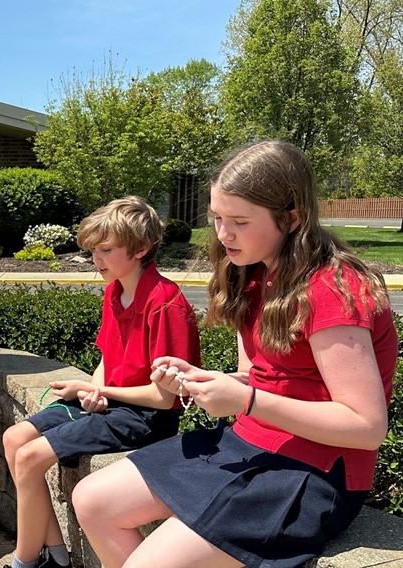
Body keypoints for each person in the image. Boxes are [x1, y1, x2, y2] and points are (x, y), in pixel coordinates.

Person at [72, 140, 399, 568]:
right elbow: (255, 377)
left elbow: (367, 426)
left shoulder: (332, 289)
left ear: (292, 218)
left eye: (240, 222)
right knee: (92, 499)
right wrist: (202, 380)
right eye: (218, 218)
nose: (223, 234)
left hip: (312, 471)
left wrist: (245, 400)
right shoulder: (252, 274)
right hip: (248, 441)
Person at [2, 196, 202, 568]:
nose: (97, 260)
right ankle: (56, 557)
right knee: (14, 439)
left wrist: (99, 391)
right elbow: (107, 358)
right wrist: (94, 389)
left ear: (141, 248)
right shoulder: (115, 291)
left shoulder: (166, 303)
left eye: (106, 250)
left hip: (144, 418)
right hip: (114, 407)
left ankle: (24, 562)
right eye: (94, 250)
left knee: (30, 457)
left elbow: (164, 397)